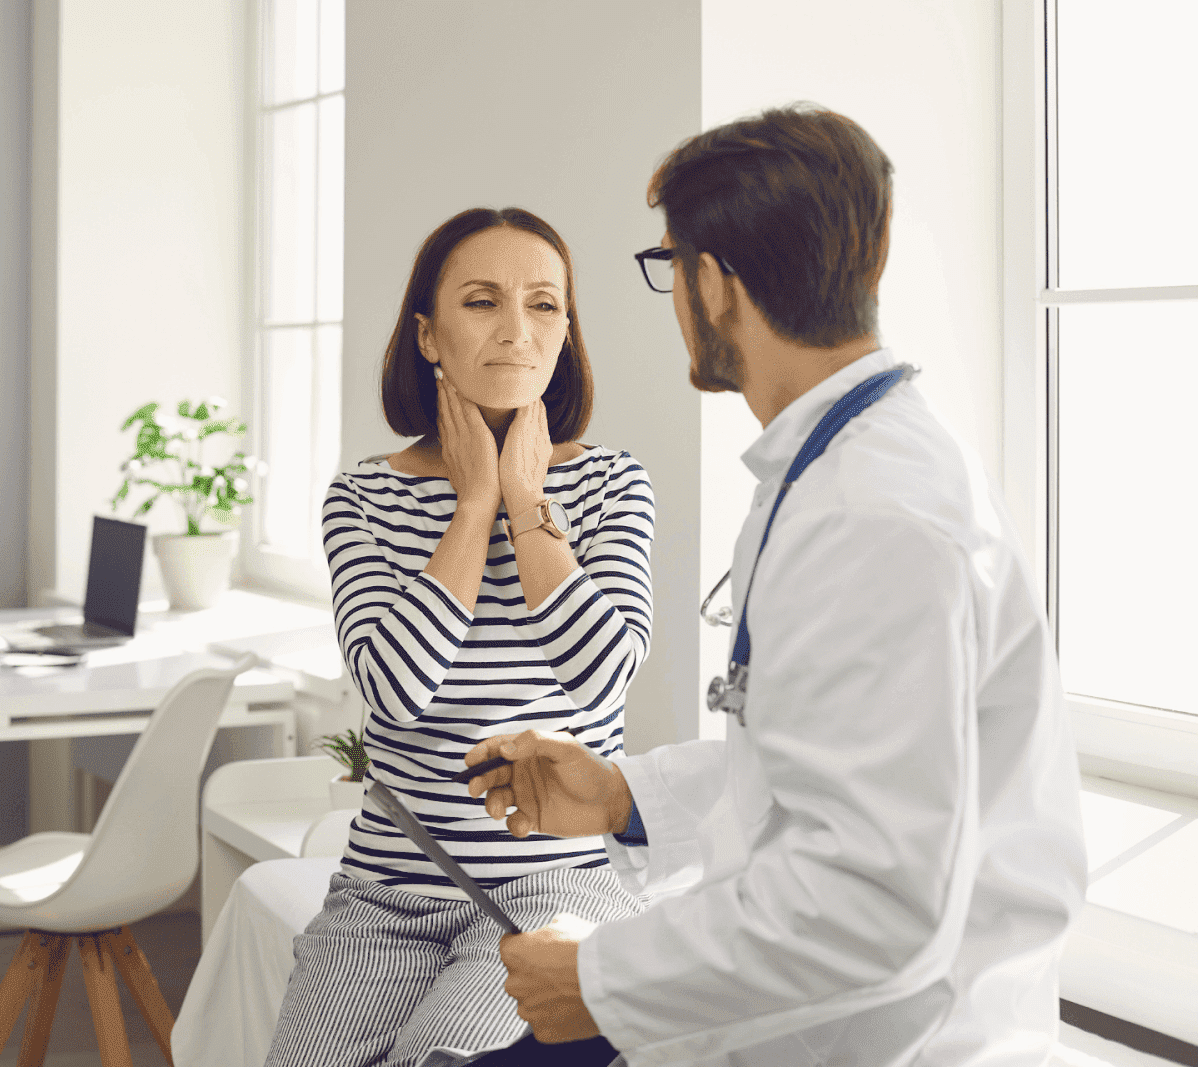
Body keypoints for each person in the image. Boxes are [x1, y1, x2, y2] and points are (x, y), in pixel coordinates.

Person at [466, 105, 1087, 1066]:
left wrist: (600, 976)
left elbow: (871, 897)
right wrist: (624, 796)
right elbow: (835, 766)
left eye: (671, 266)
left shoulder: (873, 515)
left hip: (883, 1037)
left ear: (714, 284)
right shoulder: (840, 467)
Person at [264, 206, 656, 1067]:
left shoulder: (610, 483)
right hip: (386, 892)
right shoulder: (362, 497)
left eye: (545, 304)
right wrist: (473, 507)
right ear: (429, 335)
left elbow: (602, 675)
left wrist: (525, 500)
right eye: (483, 301)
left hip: (559, 883)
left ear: (566, 331)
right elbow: (395, 689)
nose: (519, 329)